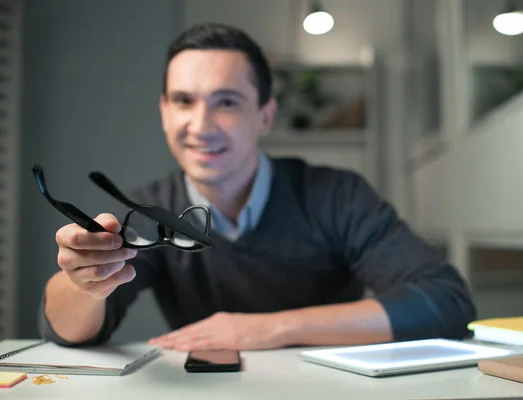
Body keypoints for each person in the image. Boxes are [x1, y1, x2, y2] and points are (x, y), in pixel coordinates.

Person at [40, 22, 476, 351]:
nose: (200, 125)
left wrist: (269, 328)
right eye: (183, 101)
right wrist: (82, 281)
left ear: (266, 115)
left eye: (226, 102)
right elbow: (66, 332)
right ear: (164, 111)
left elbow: (445, 301)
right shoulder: (152, 210)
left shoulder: (336, 196)